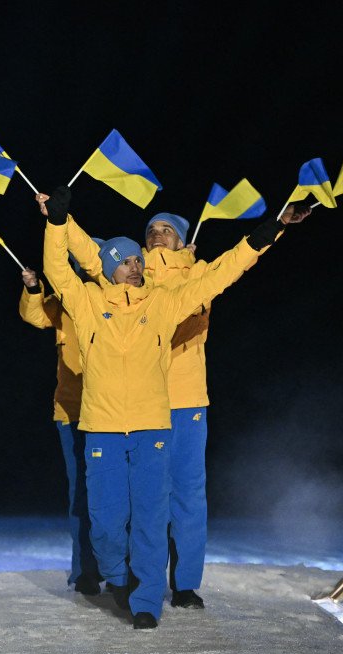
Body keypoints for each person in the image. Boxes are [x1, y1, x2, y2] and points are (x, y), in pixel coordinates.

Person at [37, 185, 297, 629]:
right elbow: (79, 257)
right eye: (149, 233)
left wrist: (268, 232)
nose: (155, 240)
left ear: (184, 240)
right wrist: (57, 218)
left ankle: (169, 590)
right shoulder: (99, 293)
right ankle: (123, 577)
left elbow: (227, 270)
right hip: (110, 417)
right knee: (108, 515)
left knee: (176, 501)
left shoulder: (180, 286)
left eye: (166, 231)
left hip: (173, 404)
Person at [19, 263, 101, 595]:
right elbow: (35, 316)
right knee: (81, 494)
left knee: (120, 497)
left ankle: (123, 568)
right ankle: (85, 570)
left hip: (117, 412)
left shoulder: (118, 301)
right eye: (77, 268)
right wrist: (34, 288)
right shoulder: (64, 303)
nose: (82, 273)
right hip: (73, 410)